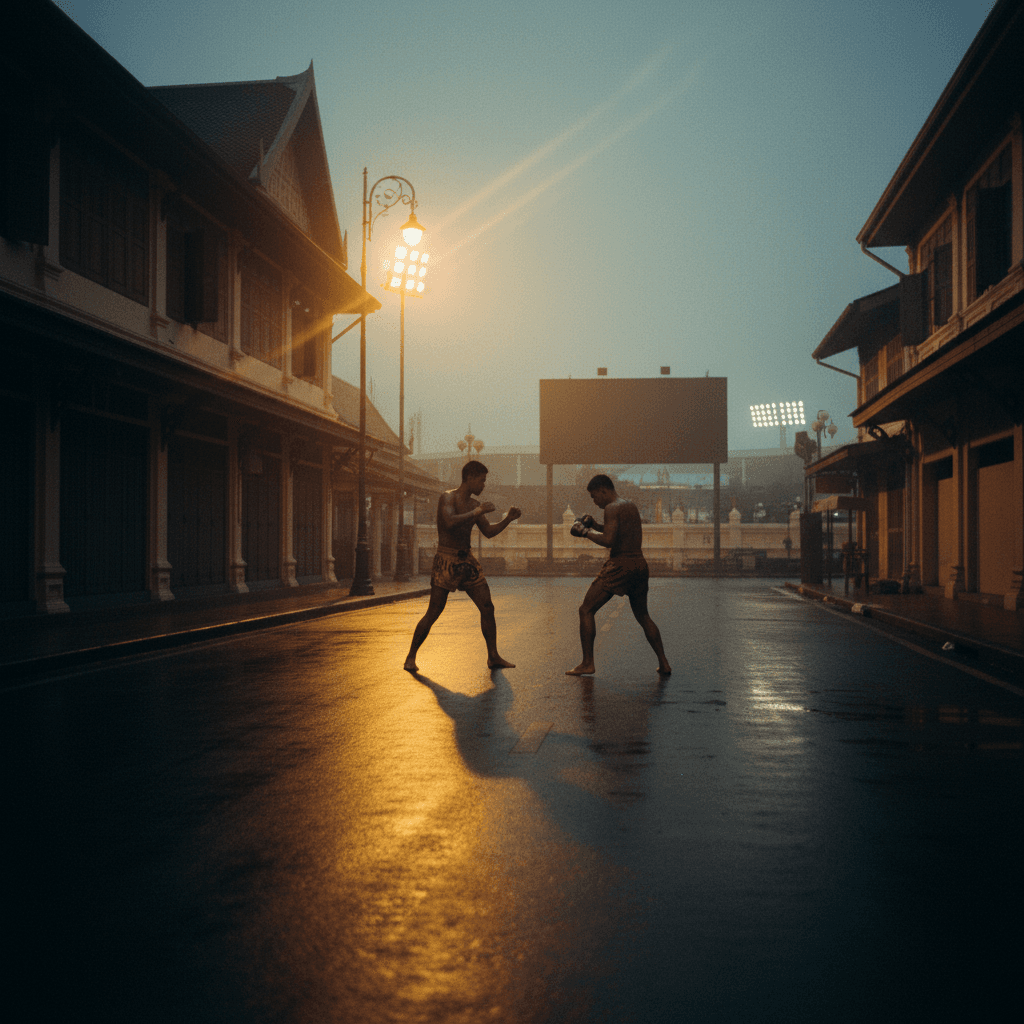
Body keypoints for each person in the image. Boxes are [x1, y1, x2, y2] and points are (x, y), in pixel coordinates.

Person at [404, 460, 521, 672]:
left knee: (487, 606)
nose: (483, 485)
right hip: (447, 559)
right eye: (481, 480)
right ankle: (411, 656)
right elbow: (449, 521)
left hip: (467, 560)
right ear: (470, 478)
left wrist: (508, 520)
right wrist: (477, 512)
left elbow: (488, 532)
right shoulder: (448, 497)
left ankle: (493, 656)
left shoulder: (475, 505)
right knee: (434, 610)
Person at [566, 474, 671, 676]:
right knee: (643, 615)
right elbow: (618, 531)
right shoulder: (629, 505)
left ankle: (587, 663)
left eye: (594, 496)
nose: (594, 501)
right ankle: (664, 663)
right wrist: (595, 526)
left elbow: (609, 540)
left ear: (603, 490)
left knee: (586, 610)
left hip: (620, 565)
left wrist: (584, 532)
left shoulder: (612, 508)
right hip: (639, 564)